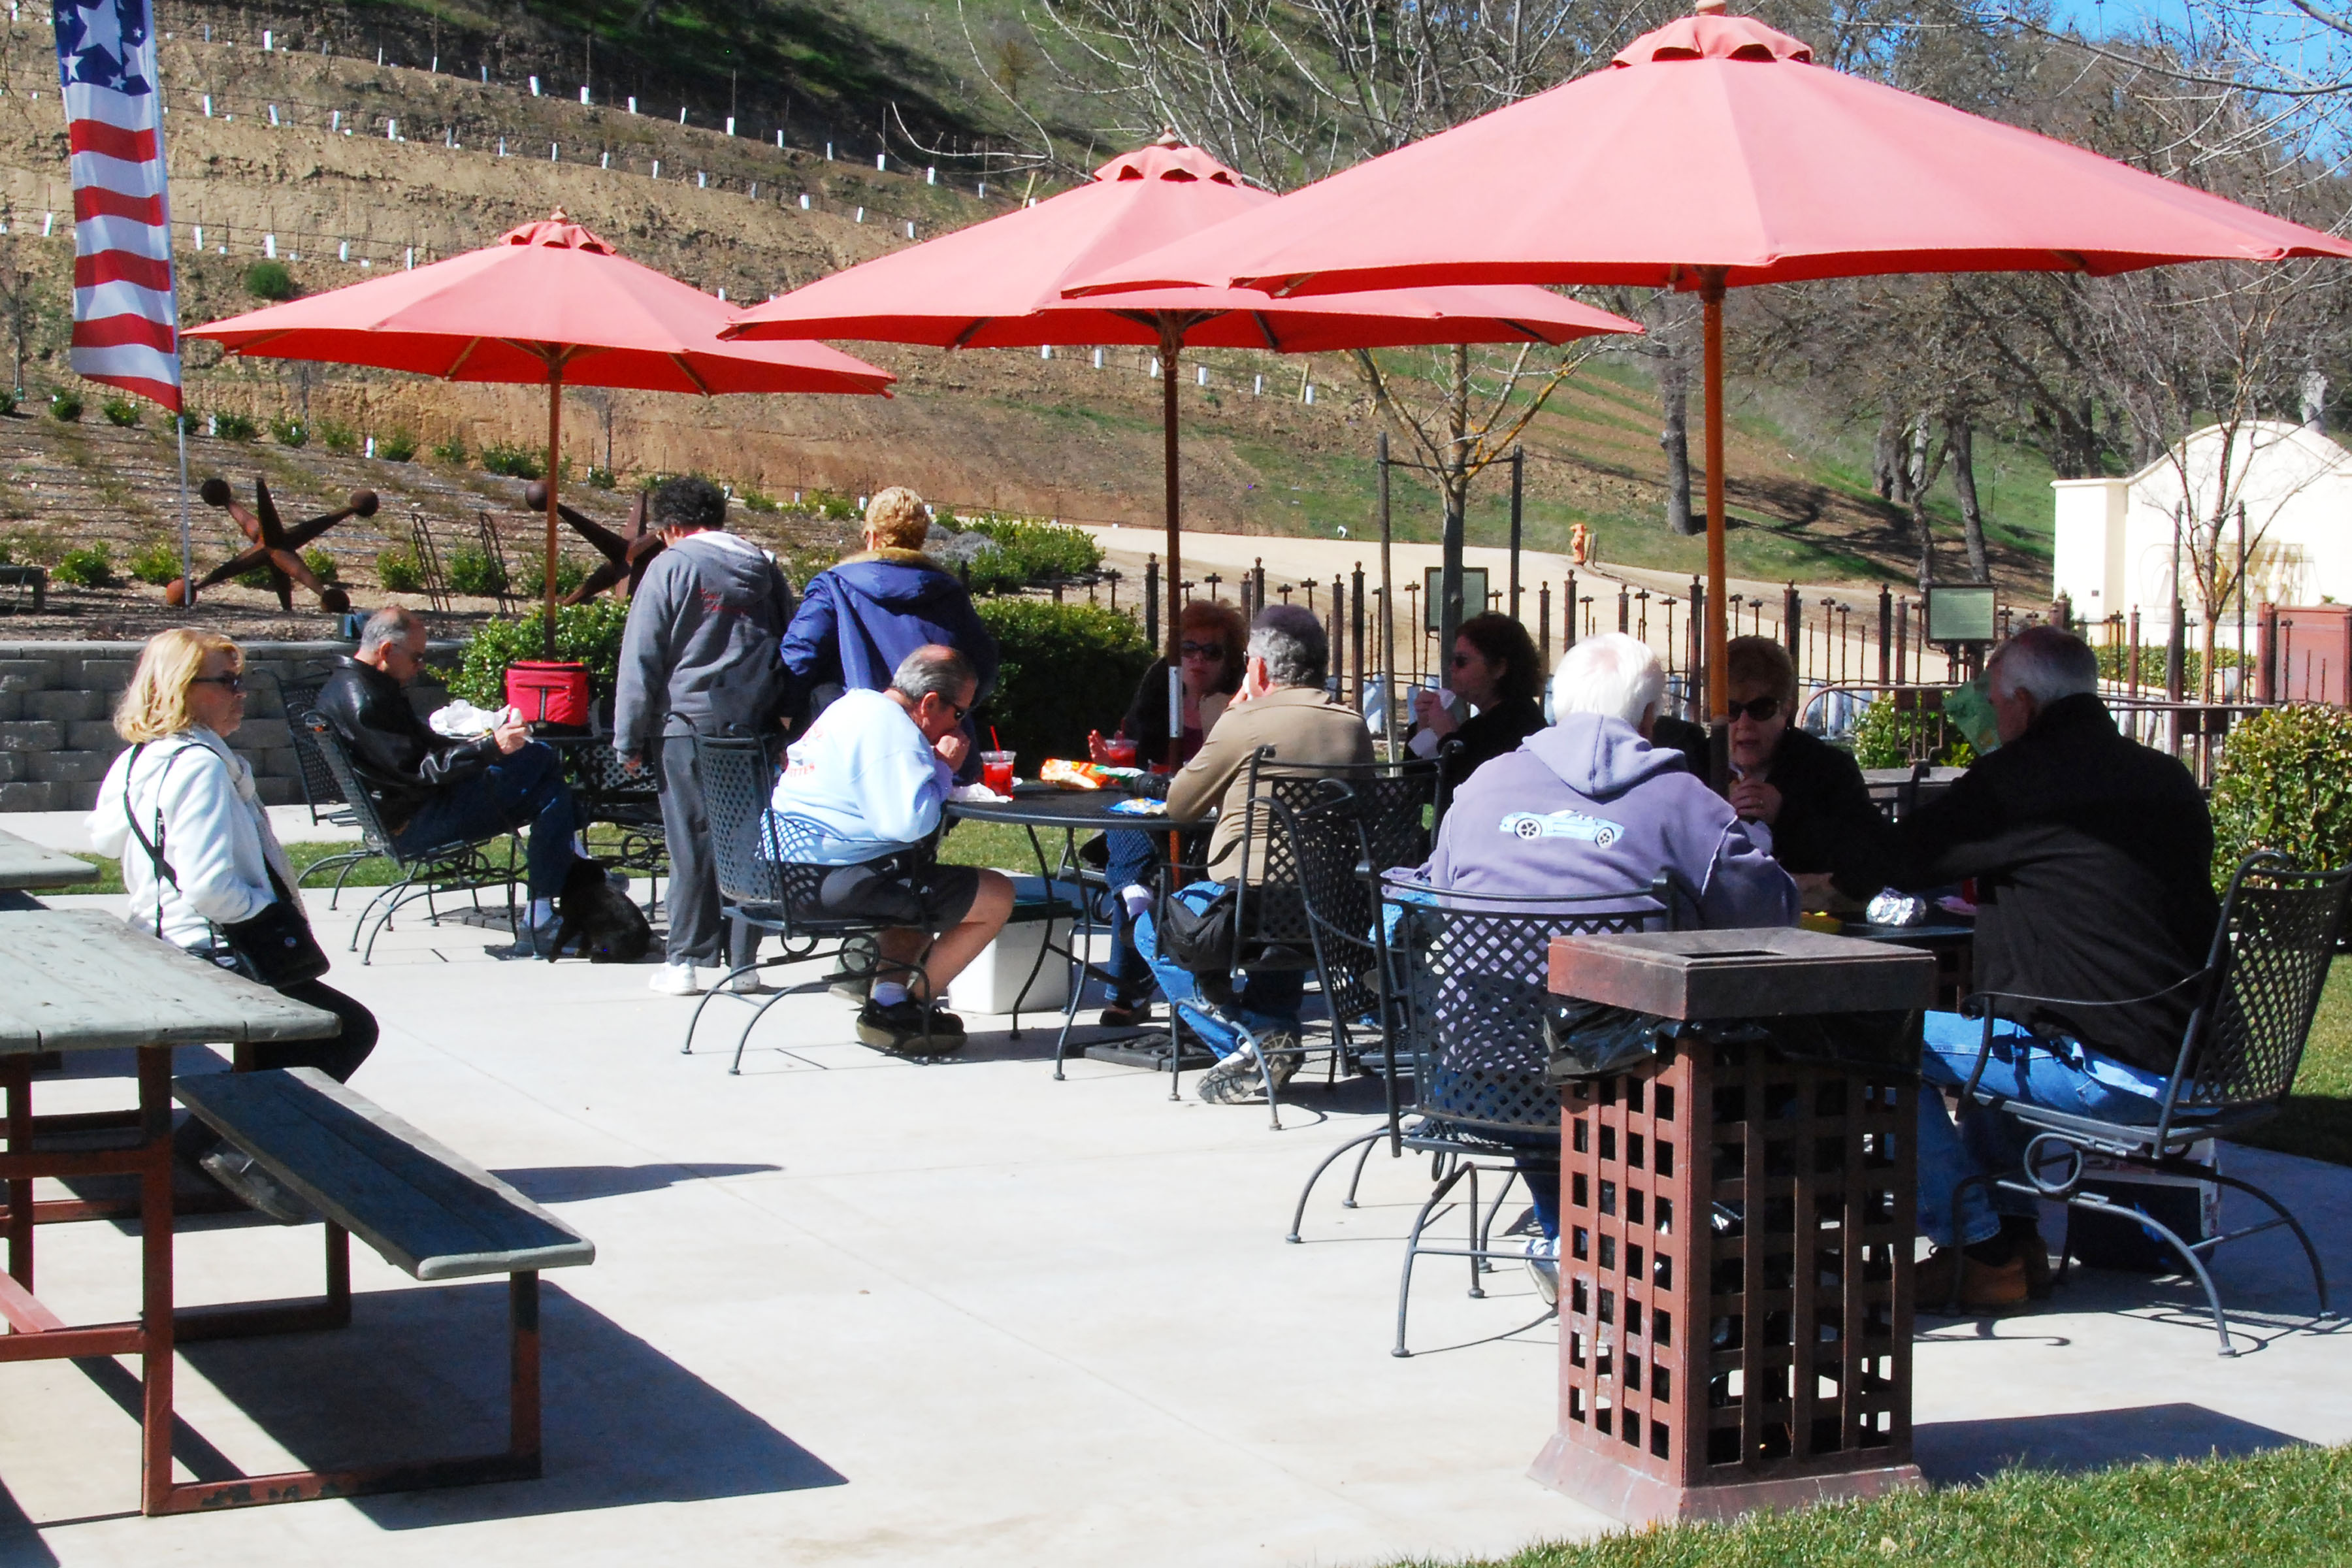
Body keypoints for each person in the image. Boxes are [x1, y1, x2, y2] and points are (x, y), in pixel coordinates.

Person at [1415, 632, 1797, 1300]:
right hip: (1637, 1081)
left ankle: (1571, 1235)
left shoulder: (1479, 789)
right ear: (1650, 718)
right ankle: (1612, 1240)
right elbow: (1770, 914)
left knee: (1538, 1046)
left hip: (1482, 1074)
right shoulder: (1684, 801)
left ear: (1555, 706)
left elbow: (1439, 900)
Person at [1891, 625, 2217, 1313]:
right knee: (2002, 1024)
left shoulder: (2021, 780)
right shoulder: (2166, 777)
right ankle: (2016, 1244)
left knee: (1872, 1035)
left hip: (2116, 1072)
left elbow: (1902, 858)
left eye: (1995, 702)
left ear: (2023, 704)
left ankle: (1977, 1248)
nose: (1992, 715)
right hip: (2203, 1067)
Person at [87, 629, 379, 1224]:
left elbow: (105, 839)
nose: (241, 693)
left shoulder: (139, 758)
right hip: (209, 947)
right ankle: (215, 1147)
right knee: (346, 1030)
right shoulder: (199, 767)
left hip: (163, 943)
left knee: (304, 1035)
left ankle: (229, 1148)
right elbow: (210, 887)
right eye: (227, 682)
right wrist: (270, 915)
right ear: (183, 689)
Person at [1133, 605, 1376, 1105]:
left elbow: (1180, 805)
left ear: (1259, 667)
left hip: (1247, 905)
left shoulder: (1244, 721)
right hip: (1329, 908)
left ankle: (1250, 1042)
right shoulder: (1353, 726)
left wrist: (1234, 712)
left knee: (1150, 928)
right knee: (1285, 903)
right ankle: (1270, 1028)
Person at [766, 645, 1015, 1053]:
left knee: (922, 873)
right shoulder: (894, 731)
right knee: (997, 895)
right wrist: (943, 768)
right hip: (831, 882)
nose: (959, 725)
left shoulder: (852, 706)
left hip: (786, 871)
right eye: (959, 713)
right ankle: (913, 1007)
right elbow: (908, 823)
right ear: (930, 703)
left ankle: (889, 1001)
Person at [614, 475, 797, 996]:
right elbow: (791, 642)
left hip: (686, 725)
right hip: (754, 724)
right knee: (747, 840)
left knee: (691, 841)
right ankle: (744, 964)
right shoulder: (765, 567)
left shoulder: (671, 566)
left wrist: (628, 737)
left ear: (672, 527)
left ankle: (686, 961)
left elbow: (642, 655)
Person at [315, 606, 585, 954]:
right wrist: (490, 748)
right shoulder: (367, 700)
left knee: (549, 792)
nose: (421, 666)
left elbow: (422, 750)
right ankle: (567, 880)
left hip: (411, 812)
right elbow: (420, 770)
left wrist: (482, 745)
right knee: (542, 758)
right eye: (417, 657)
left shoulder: (355, 686)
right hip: (414, 824)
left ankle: (544, 913)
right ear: (387, 651)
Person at [1082, 598, 1247, 1026]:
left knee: (1140, 860)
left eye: (1211, 651)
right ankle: (1138, 903)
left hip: (1211, 822)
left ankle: (1133, 954)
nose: (1198, 659)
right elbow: (1135, 763)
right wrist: (1113, 764)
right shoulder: (1159, 693)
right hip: (1158, 814)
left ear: (1229, 659)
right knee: (1126, 814)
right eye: (1189, 648)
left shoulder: (1237, 704)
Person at [779, 487, 1000, 759]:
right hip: (934, 749)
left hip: (855, 748)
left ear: (872, 536)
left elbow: (800, 657)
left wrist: (785, 718)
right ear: (920, 538)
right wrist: (954, 713)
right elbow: (983, 669)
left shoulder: (834, 586)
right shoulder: (950, 593)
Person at [1720, 635, 1897, 908]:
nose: (1745, 724)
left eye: (1761, 709)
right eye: (1731, 710)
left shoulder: (1827, 769)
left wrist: (1786, 814)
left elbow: (1871, 857)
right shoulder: (1695, 766)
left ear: (1786, 709)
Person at [1409, 612, 1548, 782]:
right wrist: (1424, 726)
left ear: (1499, 669)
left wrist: (1448, 737)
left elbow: (1469, 783)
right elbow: (1416, 786)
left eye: (1462, 661)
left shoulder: (1519, 726)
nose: (1452, 668)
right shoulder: (1481, 725)